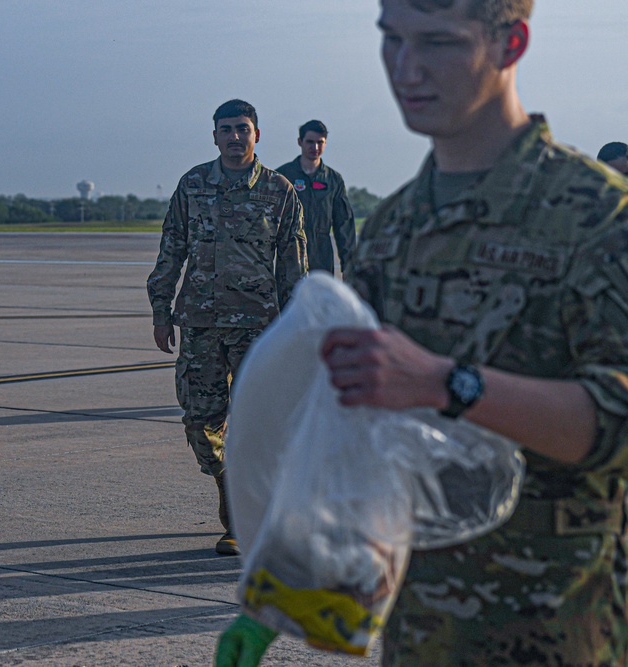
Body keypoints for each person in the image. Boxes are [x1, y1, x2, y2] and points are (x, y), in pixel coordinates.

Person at [217, 1, 628, 665]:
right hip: (419, 638)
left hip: (562, 637)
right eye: (392, 41)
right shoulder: (396, 230)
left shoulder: (597, 218)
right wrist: (274, 599)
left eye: (437, 42)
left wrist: (449, 384)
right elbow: (349, 444)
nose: (406, 69)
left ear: (511, 42)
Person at [147, 99, 307, 556]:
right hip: (200, 325)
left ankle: (243, 516)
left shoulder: (279, 191)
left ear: (257, 134)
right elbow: (170, 249)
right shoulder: (193, 185)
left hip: (260, 329)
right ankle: (228, 484)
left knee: (262, 425)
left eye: (243, 129)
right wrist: (161, 310)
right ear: (213, 135)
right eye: (226, 130)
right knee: (200, 422)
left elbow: (294, 266)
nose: (235, 137)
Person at [275, 120, 356, 275]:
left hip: (322, 258)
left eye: (320, 142)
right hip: (289, 259)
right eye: (310, 142)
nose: (315, 147)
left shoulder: (333, 180)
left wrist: (350, 268)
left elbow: (344, 225)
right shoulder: (283, 177)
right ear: (300, 142)